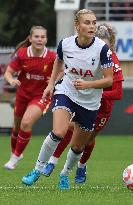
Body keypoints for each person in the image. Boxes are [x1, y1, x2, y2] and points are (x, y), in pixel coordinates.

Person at [21, 9, 113, 190]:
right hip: (67, 92)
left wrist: (88, 85)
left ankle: (64, 174)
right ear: (77, 26)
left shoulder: (102, 49)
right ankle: (37, 170)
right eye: (87, 22)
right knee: (58, 132)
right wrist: (51, 84)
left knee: (78, 147)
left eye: (94, 22)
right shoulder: (65, 44)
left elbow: (109, 80)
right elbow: (58, 62)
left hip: (90, 102)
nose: (92, 26)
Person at [41, 23, 124, 184]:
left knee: (87, 141)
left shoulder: (112, 61)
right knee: (67, 128)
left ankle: (81, 166)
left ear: (111, 45)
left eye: (104, 45)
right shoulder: (84, 53)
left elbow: (118, 93)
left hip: (101, 110)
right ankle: (52, 162)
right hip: (80, 101)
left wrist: (93, 90)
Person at [3, 26, 56, 170]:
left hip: (41, 96)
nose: (40, 39)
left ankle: (14, 158)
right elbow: (8, 72)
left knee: (26, 123)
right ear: (31, 38)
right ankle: (16, 154)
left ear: (46, 39)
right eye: (37, 36)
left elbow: (63, 71)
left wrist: (53, 80)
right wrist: (11, 80)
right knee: (16, 128)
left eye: (42, 37)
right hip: (22, 94)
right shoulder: (22, 53)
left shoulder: (52, 56)